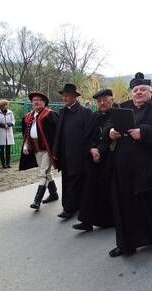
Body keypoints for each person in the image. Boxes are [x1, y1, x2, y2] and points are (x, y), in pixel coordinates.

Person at [107, 72, 152, 257]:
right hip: (125, 170)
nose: (138, 93)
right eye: (135, 90)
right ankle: (125, 244)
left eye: (143, 90)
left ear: (151, 92)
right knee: (125, 208)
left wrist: (143, 133)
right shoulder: (121, 108)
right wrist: (111, 132)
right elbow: (108, 126)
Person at [73, 88, 115, 231]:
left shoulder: (118, 114)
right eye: (99, 101)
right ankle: (87, 221)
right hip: (93, 157)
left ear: (112, 100)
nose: (102, 103)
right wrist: (91, 149)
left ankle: (109, 220)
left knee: (107, 188)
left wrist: (100, 151)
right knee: (90, 188)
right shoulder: (94, 116)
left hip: (111, 157)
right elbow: (86, 137)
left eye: (105, 100)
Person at [53, 83, 92, 219]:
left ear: (75, 97)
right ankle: (72, 206)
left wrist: (87, 152)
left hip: (79, 153)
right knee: (67, 180)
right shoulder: (62, 111)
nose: (64, 98)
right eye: (63, 96)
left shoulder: (85, 112)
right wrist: (55, 151)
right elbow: (59, 132)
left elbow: (89, 133)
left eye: (67, 96)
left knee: (76, 180)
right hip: (65, 153)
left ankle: (69, 208)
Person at [19, 92, 59, 210]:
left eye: (39, 100)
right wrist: (26, 145)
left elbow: (57, 134)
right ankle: (54, 194)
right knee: (46, 172)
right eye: (34, 100)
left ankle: (37, 200)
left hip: (47, 149)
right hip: (36, 149)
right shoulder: (28, 117)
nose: (36, 102)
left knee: (42, 172)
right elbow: (26, 133)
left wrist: (56, 150)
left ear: (44, 102)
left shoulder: (50, 115)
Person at [0, 100, 15, 168]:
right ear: (3, 105)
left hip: (8, 131)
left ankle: (8, 163)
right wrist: (2, 125)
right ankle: (3, 164)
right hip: (1, 131)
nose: (8, 106)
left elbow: (13, 120)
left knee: (8, 148)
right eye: (7, 105)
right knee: (1, 148)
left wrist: (9, 124)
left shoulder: (10, 112)